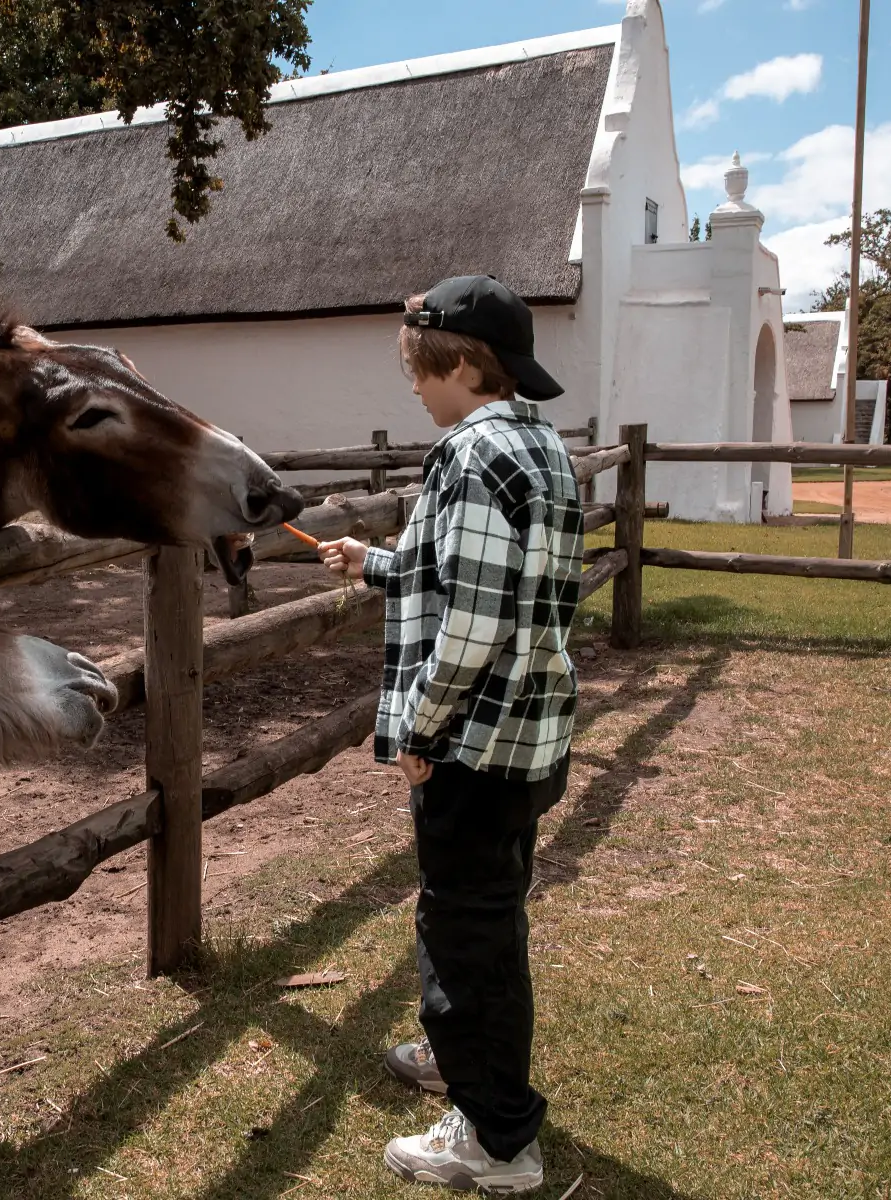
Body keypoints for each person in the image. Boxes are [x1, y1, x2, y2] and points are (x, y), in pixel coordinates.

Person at [319, 275, 583, 1194]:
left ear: (465, 363)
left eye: (420, 372)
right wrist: (373, 564)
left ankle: (497, 1138)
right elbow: (481, 577)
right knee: (488, 916)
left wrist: (422, 728)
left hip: (473, 741)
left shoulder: (467, 457)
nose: (415, 390)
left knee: (463, 929)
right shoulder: (537, 446)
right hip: (529, 735)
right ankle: (463, 1060)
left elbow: (471, 626)